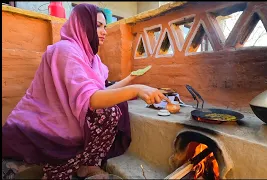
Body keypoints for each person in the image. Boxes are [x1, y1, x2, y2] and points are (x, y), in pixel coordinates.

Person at [2, 3, 169, 179]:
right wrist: (136, 89)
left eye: (105, 26)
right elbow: (92, 100)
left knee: (116, 106)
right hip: (50, 118)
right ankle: (57, 172)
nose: (104, 31)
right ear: (81, 25)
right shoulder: (66, 50)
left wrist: (130, 80)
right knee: (108, 112)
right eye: (98, 25)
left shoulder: (92, 58)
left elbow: (101, 92)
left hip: (71, 113)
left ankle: (87, 165)